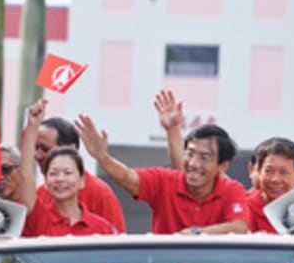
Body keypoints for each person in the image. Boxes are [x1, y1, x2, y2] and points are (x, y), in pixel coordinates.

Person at [74, 106, 250, 236]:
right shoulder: (164, 180)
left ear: (223, 166)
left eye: (204, 157)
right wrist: (102, 157)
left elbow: (239, 227)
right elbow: (129, 179)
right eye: (190, 154)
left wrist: (195, 234)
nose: (193, 163)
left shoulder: (232, 189)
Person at [20, 99, 118, 237]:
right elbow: (26, 175)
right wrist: (32, 126)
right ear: (46, 180)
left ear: (82, 180)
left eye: (67, 173)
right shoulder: (39, 218)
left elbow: (119, 247)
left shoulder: (102, 227)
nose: (60, 179)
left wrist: (102, 156)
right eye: (53, 173)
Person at [34, 113, 127, 233]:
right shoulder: (40, 194)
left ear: (70, 149)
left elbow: (117, 241)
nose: (37, 155)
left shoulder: (101, 194)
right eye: (35, 148)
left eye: (45, 149)